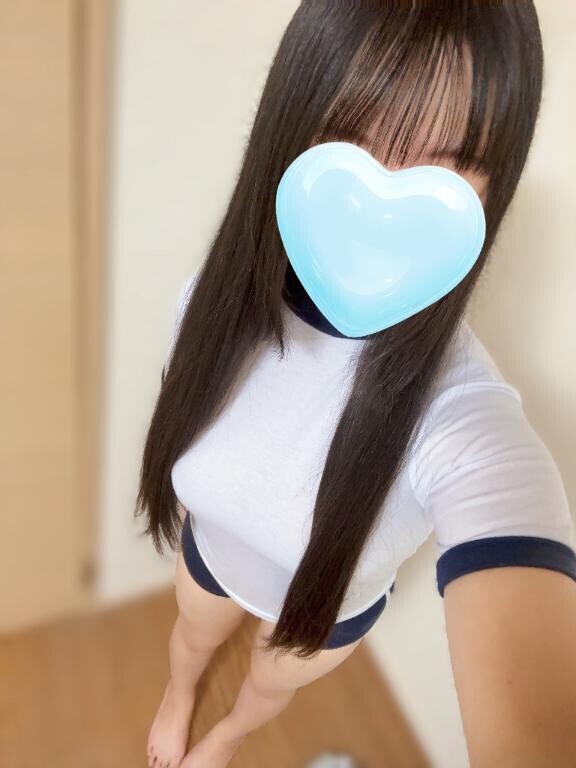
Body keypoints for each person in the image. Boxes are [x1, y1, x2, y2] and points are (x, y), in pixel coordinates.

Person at [138, 3, 576, 767]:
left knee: (267, 689)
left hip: (325, 614)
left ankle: (227, 734)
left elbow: (508, 516)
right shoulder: (212, 300)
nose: (383, 200)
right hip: (215, 556)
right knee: (190, 640)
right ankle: (179, 698)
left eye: (444, 162)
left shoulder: (459, 413)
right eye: (347, 136)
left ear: (491, 187)